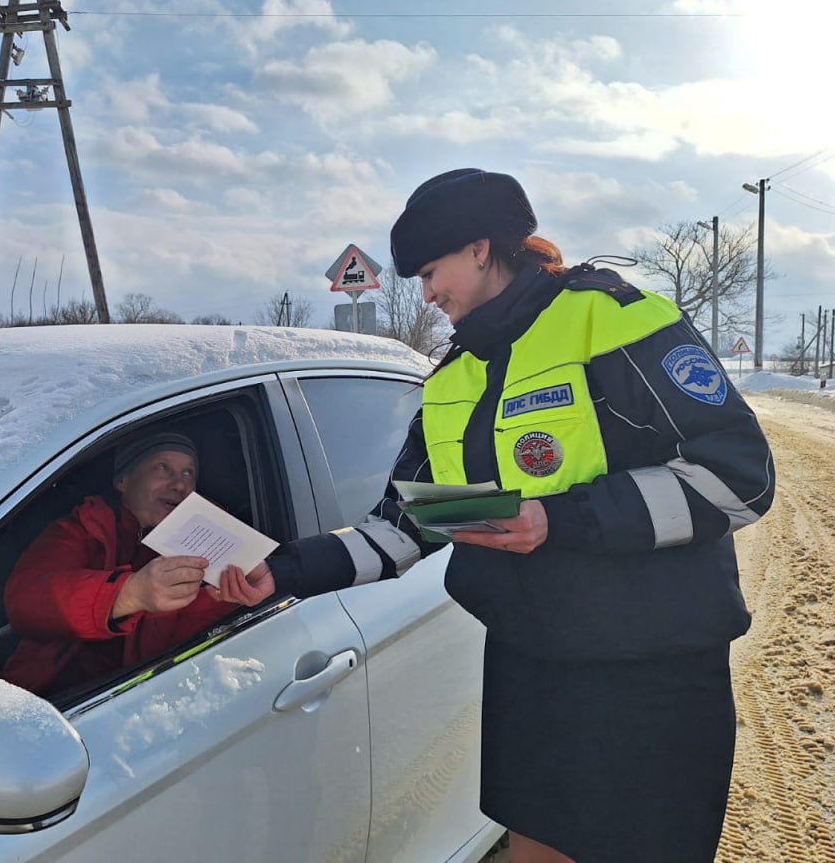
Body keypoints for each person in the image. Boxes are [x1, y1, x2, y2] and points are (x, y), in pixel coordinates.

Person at [220, 168, 775, 863]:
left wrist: (561, 519)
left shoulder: (615, 318)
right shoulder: (454, 376)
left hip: (649, 667)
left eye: (430, 271)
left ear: (480, 248)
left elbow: (740, 478)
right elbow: (409, 521)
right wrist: (283, 570)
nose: (426, 294)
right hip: (531, 663)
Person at [2, 429, 242, 696]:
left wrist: (227, 593)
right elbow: (25, 603)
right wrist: (127, 594)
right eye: (163, 467)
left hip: (145, 697)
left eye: (189, 473)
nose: (180, 484)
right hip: (52, 697)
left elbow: (208, 636)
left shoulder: (211, 538)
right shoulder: (85, 526)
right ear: (123, 480)